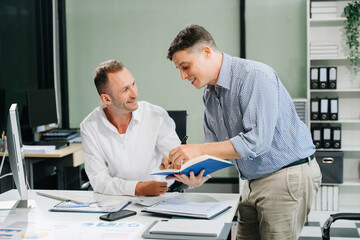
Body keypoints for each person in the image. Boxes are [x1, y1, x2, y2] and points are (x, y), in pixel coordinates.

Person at [163, 24, 322, 239]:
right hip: (252, 180)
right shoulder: (210, 95)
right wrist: (194, 175)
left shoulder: (253, 75)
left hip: (285, 175)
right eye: (179, 70)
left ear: (206, 52)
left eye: (185, 66)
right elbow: (214, 151)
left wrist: (198, 150)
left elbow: (257, 143)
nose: (183, 76)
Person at [80, 60, 180, 196]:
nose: (134, 94)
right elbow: (99, 180)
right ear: (106, 99)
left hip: (160, 197)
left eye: (133, 84)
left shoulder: (156, 115)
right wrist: (137, 188)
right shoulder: (89, 127)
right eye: (125, 90)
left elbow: (179, 160)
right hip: (114, 200)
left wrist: (172, 164)